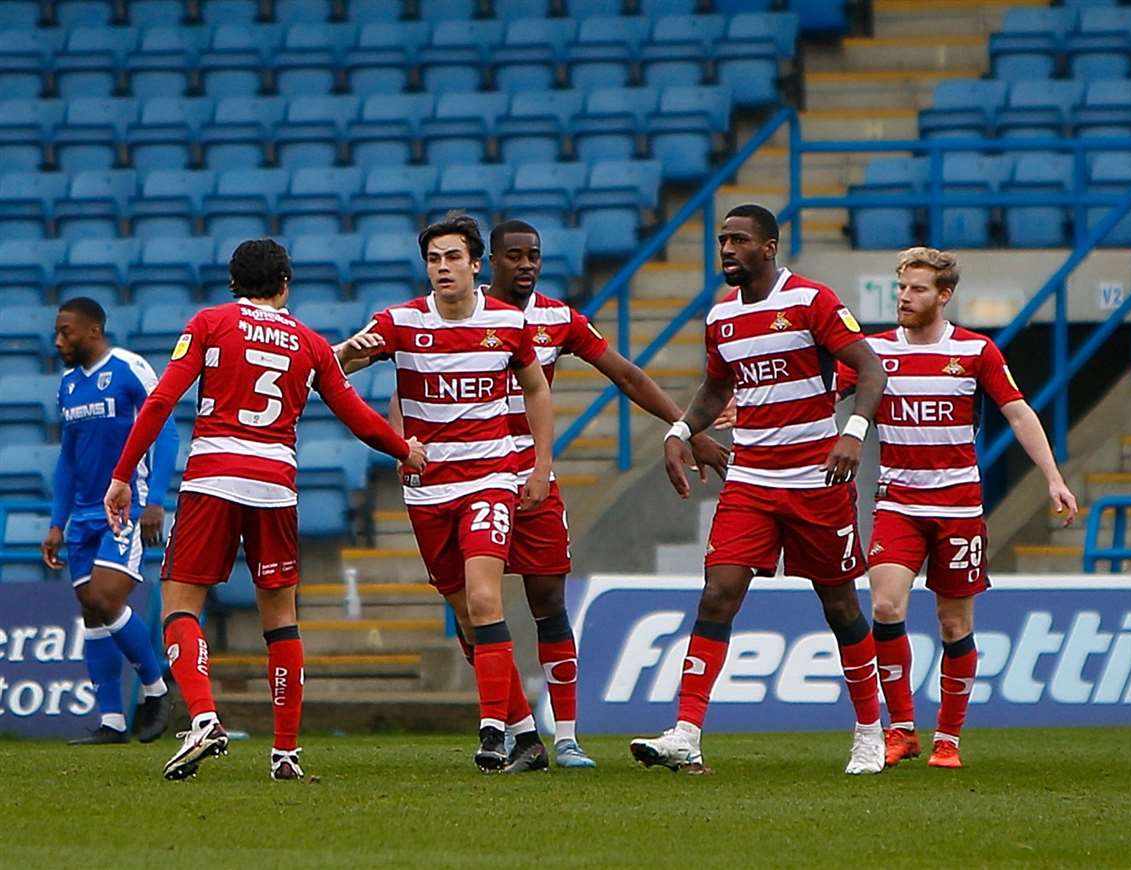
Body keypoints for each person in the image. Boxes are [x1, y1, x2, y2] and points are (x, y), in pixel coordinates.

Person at [104, 239, 425, 781]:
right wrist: (405, 449)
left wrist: (122, 475)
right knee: (280, 617)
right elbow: (355, 414)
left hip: (213, 476)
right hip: (275, 484)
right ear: (285, 283)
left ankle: (204, 716)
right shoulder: (310, 343)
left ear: (234, 283)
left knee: (180, 603)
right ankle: (285, 753)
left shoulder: (209, 323)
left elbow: (161, 401)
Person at [628, 203, 891, 775]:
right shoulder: (721, 317)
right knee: (717, 594)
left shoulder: (811, 301)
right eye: (722, 240)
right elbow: (716, 389)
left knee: (840, 604)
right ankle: (687, 733)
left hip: (817, 481)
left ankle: (871, 731)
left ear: (768, 247)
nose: (726, 249)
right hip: (750, 479)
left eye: (739, 240)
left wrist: (852, 433)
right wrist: (679, 431)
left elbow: (871, 370)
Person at [470, 219, 728, 769]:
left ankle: (565, 736)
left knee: (547, 603)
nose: (526, 265)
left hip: (530, 478)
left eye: (533, 256)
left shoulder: (556, 319)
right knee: (474, 608)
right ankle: (508, 729)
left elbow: (627, 376)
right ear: (491, 261)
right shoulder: (458, 317)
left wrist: (687, 428)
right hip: (467, 476)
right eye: (514, 255)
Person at [335, 213, 558, 771]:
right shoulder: (402, 321)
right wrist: (348, 354)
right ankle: (527, 735)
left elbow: (536, 390)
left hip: (490, 479)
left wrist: (540, 466)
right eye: (434, 259)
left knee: (485, 599)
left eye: (453, 257)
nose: (443, 268)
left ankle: (489, 731)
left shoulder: (506, 322)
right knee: (464, 615)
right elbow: (338, 366)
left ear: (475, 264)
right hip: (428, 488)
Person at [847, 246, 1077, 769]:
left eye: (918, 289)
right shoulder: (874, 351)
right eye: (901, 287)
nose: (904, 297)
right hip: (897, 501)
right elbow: (821, 398)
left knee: (954, 625)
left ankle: (948, 738)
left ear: (944, 295)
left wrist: (1053, 478)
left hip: (958, 506)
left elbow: (1018, 414)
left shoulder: (976, 352)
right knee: (885, 607)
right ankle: (901, 729)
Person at [47, 297, 177, 745]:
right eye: (57, 332)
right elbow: (67, 457)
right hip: (81, 515)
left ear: (93, 331)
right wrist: (56, 522)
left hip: (122, 508)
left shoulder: (129, 368)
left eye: (66, 331)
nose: (59, 340)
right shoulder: (67, 386)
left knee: (105, 597)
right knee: (91, 611)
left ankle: (157, 688)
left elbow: (167, 427)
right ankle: (112, 721)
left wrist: (156, 498)